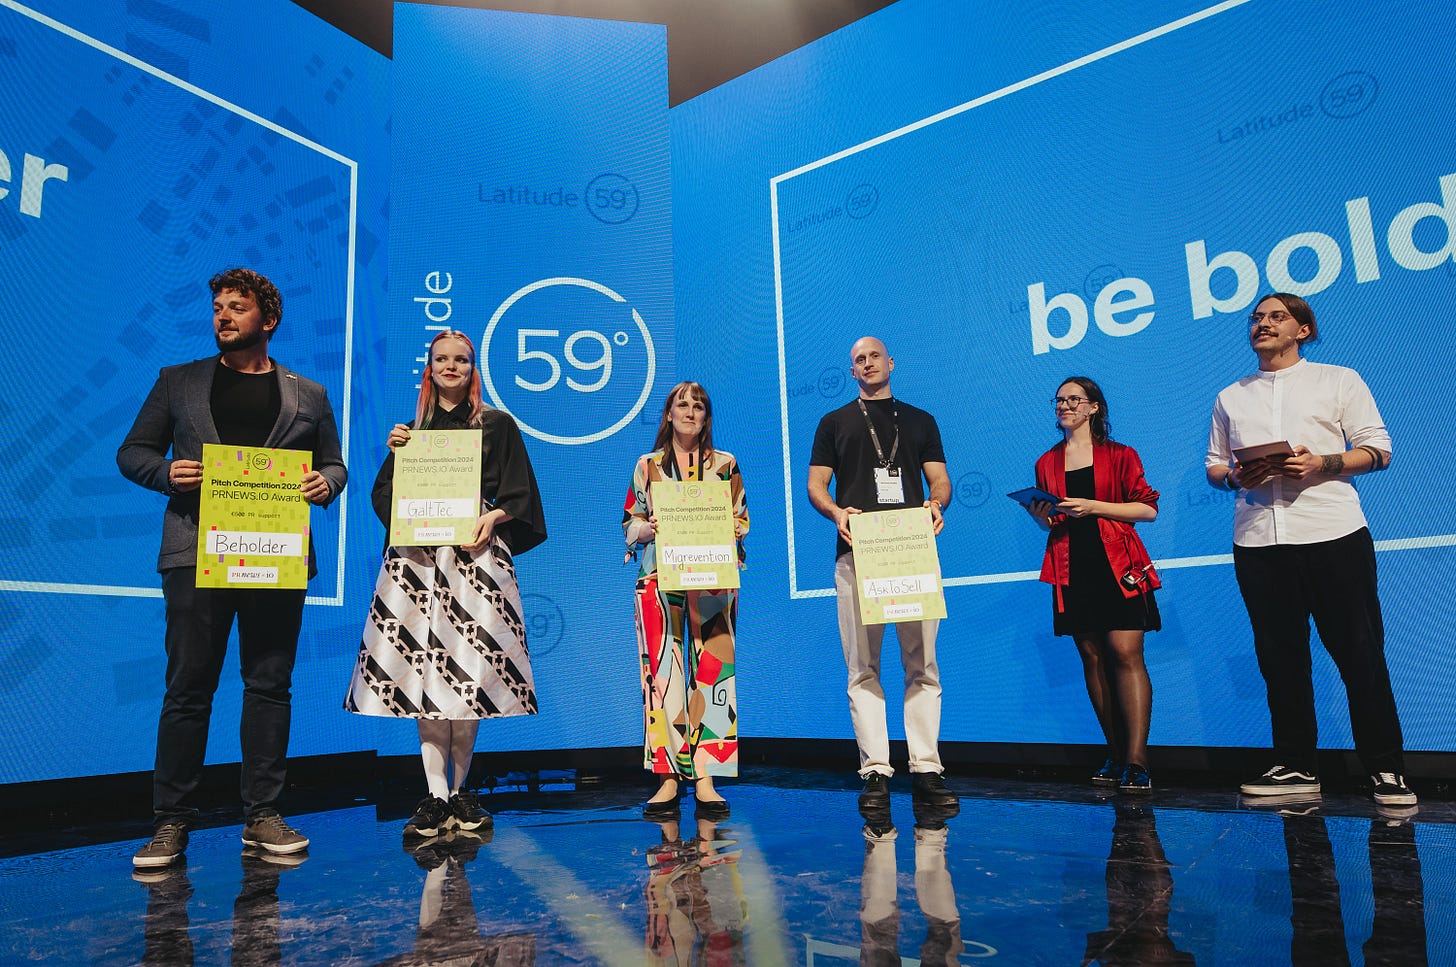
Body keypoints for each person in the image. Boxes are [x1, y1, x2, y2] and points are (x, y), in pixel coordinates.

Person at [118, 267, 347, 869]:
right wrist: (164, 472)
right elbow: (133, 451)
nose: (223, 315)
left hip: (275, 553)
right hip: (196, 552)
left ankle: (263, 815)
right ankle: (171, 822)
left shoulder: (309, 393)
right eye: (218, 306)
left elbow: (335, 464)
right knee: (188, 688)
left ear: (267, 320)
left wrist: (326, 483)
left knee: (268, 685)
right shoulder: (178, 381)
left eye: (237, 307)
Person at [1206, 293, 1415, 806]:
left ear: (1303, 330)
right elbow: (1214, 466)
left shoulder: (1339, 379)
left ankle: (1386, 769)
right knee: (1280, 660)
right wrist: (1235, 475)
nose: (1262, 324)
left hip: (1333, 534)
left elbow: (1378, 450)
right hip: (1258, 540)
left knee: (1360, 654)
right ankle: (1297, 766)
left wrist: (1321, 462)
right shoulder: (1230, 396)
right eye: (1256, 318)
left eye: (1276, 316)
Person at [345, 330, 547, 837]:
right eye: (442, 359)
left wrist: (492, 517)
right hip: (417, 563)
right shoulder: (413, 432)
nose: (451, 366)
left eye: (461, 359)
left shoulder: (497, 424)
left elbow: (520, 494)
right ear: (429, 368)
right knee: (426, 674)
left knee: (469, 675)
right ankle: (435, 795)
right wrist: (399, 456)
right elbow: (385, 495)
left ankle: (460, 792)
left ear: (473, 368)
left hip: (477, 558)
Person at [807, 336, 957, 811]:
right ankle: (875, 772)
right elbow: (816, 484)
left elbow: (940, 479)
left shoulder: (920, 420)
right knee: (862, 667)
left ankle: (927, 769)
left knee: (923, 665)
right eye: (858, 360)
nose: (867, 363)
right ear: (852, 371)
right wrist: (836, 512)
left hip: (912, 549)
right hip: (858, 551)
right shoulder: (833, 422)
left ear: (891, 362)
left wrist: (936, 503)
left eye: (874, 356)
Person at [1026, 377, 1161, 793]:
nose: (1064, 405)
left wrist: (1094, 507)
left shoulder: (1121, 455)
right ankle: (1116, 755)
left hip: (1118, 563)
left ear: (1094, 407)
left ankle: (1137, 760)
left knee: (1125, 652)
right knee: (1092, 657)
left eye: (1074, 399)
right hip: (1072, 565)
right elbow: (1052, 521)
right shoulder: (1047, 461)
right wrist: (1040, 517)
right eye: (1059, 400)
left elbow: (1147, 509)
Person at [624, 382, 747, 819]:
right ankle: (668, 777)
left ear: (706, 417)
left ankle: (707, 775)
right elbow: (630, 525)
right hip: (659, 580)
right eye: (682, 405)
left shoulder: (725, 464)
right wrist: (649, 527)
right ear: (669, 415)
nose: (690, 412)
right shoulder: (648, 466)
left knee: (714, 674)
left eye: (698, 406)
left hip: (712, 581)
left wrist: (730, 528)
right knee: (663, 676)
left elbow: (741, 519)